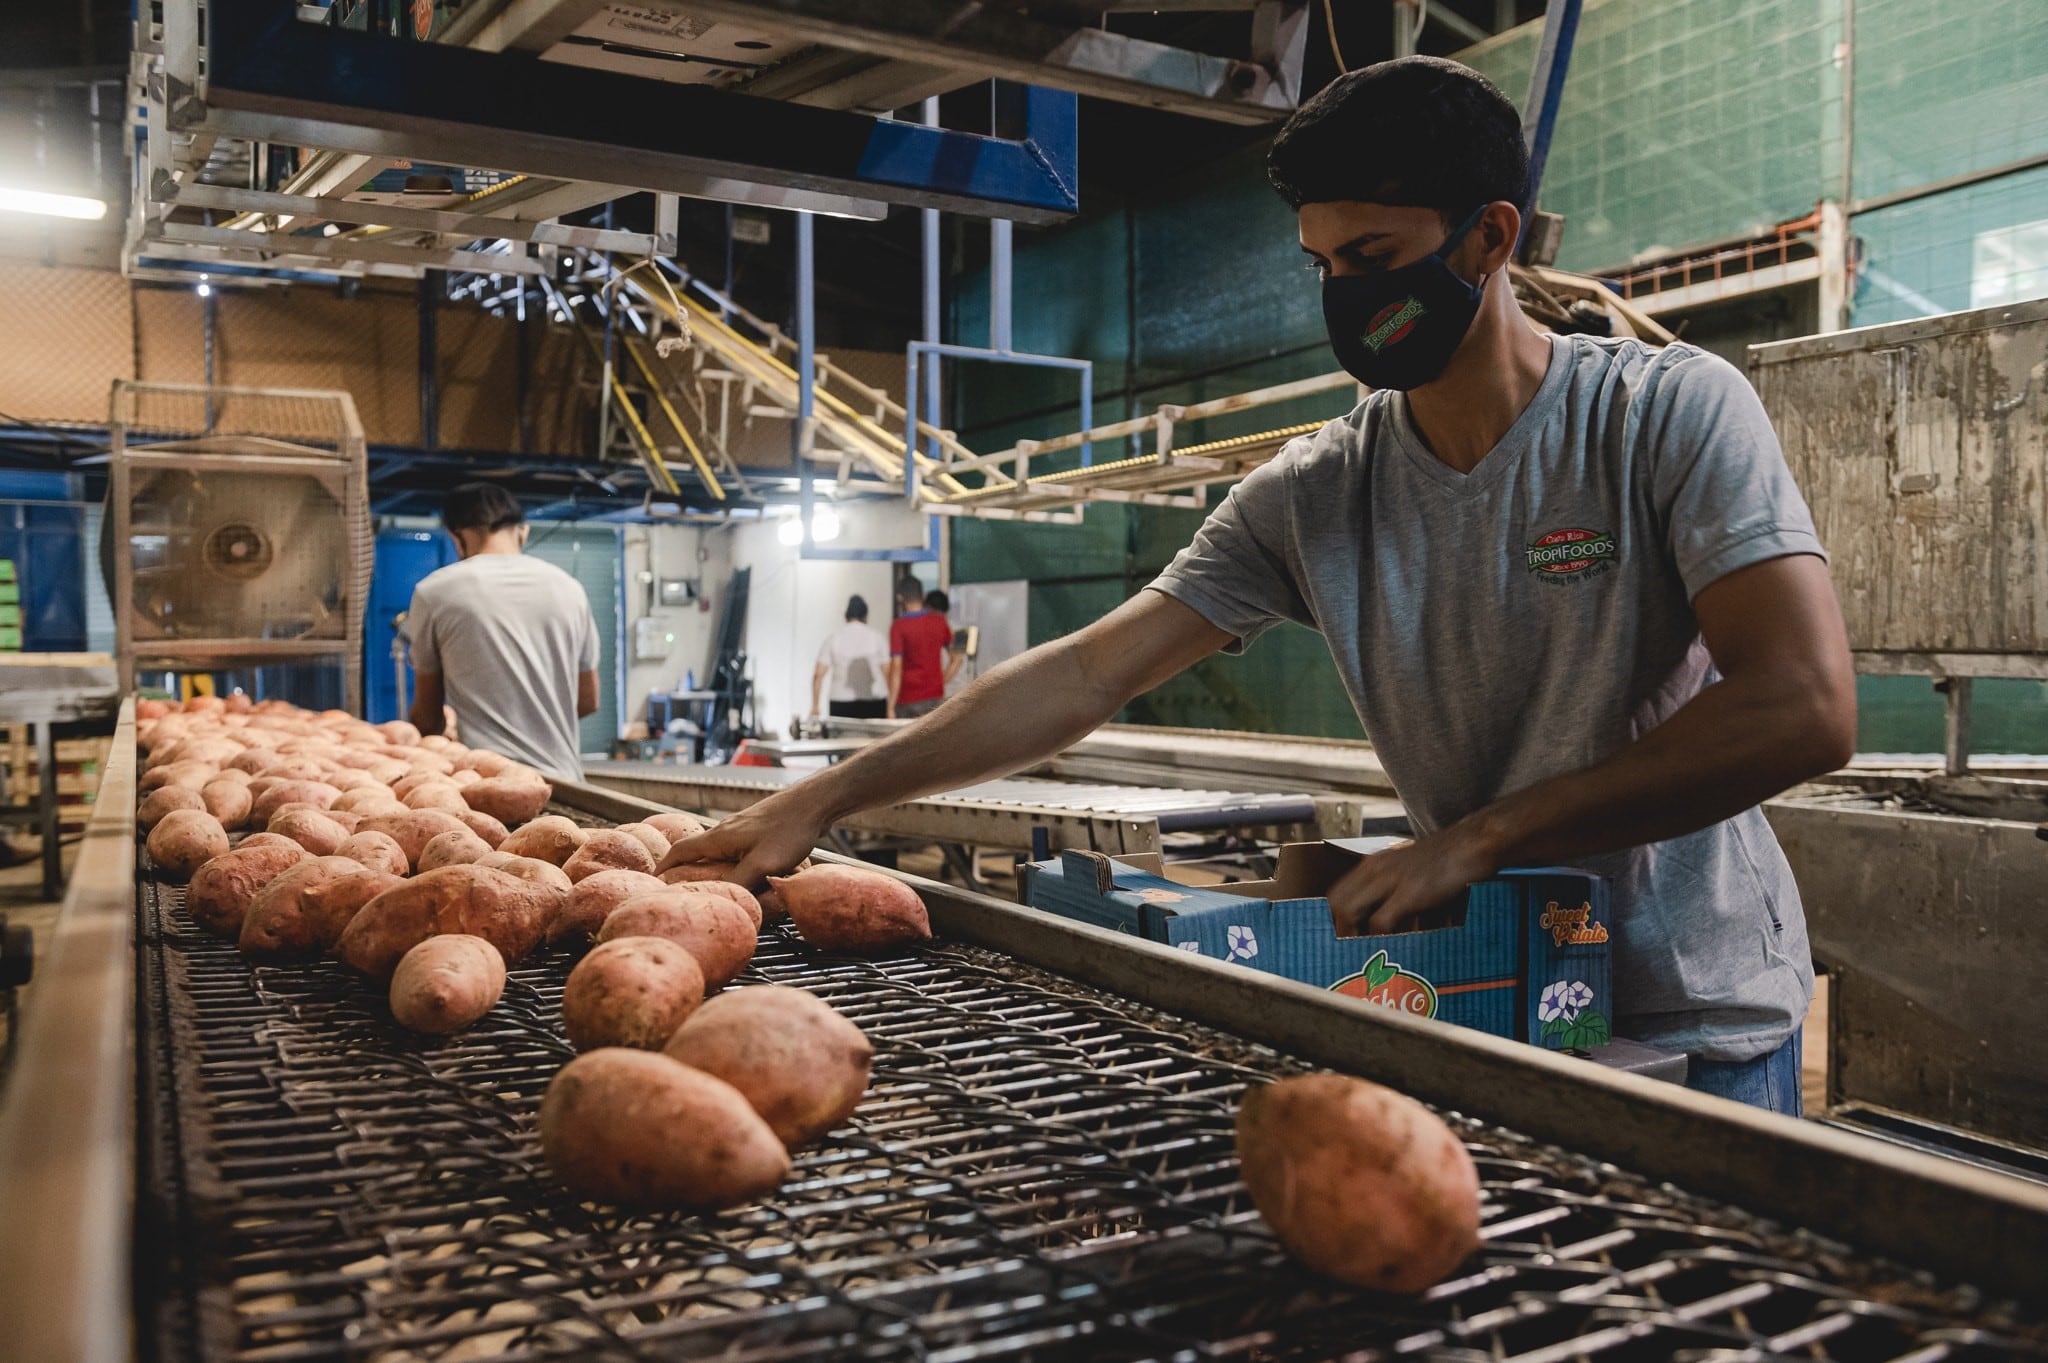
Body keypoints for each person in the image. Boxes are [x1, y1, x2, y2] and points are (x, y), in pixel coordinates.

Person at [671, 58, 1856, 1114]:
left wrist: (1478, 838)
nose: (1344, 293)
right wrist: (824, 799)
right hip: (1484, 984)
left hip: (1684, 1008)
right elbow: (1090, 670)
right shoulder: (1316, 491)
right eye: (1322, 264)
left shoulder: (1659, 413)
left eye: (1372, 259)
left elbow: (1800, 704)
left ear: (1487, 239)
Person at [405, 483, 601, 779]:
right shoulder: (569, 588)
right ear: (523, 531)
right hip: (565, 781)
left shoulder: (434, 591)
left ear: (456, 537)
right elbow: (588, 701)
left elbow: (428, 718)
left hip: (488, 784)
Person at [885, 578, 957, 719]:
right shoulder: (940, 622)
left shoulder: (898, 626)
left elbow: (897, 666)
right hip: (934, 698)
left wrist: (891, 705)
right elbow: (957, 659)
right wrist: (941, 682)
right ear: (923, 595)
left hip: (907, 699)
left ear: (900, 597)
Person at [812, 594, 891, 720]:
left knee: (843, 733)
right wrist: (891, 706)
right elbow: (887, 672)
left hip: (840, 701)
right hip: (874, 701)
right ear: (865, 616)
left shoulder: (833, 638)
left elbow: (818, 675)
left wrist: (815, 706)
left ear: (846, 616)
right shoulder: (877, 638)